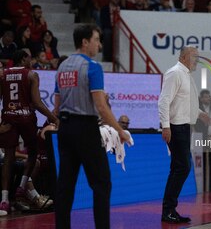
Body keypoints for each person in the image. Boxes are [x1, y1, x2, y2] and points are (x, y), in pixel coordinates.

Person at [54, 24, 129, 229]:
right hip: (85, 128)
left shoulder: (62, 67)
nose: (99, 44)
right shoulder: (93, 67)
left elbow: (57, 106)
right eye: (96, 39)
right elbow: (101, 108)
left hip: (65, 129)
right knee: (102, 183)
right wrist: (120, 130)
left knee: (65, 186)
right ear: (85, 42)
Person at [0, 49, 59, 215]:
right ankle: (21, 187)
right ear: (24, 59)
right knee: (34, 154)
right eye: (30, 57)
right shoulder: (31, 75)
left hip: (8, 118)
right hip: (26, 118)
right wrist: (54, 118)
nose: (31, 61)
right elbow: (38, 103)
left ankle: (4, 200)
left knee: (8, 158)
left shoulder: (2, 75)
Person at [158, 46, 211, 224]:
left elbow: (186, 103)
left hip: (183, 127)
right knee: (182, 168)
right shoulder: (175, 73)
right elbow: (164, 100)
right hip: (176, 127)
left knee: (179, 168)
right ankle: (168, 210)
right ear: (183, 57)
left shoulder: (186, 75)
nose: (197, 59)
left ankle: (169, 209)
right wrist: (166, 126)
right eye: (194, 56)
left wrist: (200, 113)